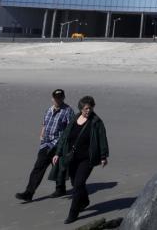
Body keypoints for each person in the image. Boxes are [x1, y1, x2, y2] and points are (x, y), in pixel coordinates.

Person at [52, 95, 109, 224]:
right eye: (86, 108)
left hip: (87, 159)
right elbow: (65, 137)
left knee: (78, 184)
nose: (88, 111)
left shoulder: (96, 122)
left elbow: (102, 139)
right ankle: (85, 201)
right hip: (72, 158)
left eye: (90, 108)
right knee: (75, 183)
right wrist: (57, 153)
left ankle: (73, 213)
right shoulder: (74, 118)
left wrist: (103, 156)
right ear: (81, 108)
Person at [15, 89, 73, 202]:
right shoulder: (49, 110)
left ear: (63, 98)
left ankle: (58, 189)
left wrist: (66, 145)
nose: (58, 100)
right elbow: (44, 124)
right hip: (46, 143)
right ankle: (30, 192)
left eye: (60, 97)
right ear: (52, 98)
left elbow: (70, 128)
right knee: (40, 167)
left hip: (58, 144)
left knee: (56, 167)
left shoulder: (68, 111)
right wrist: (42, 134)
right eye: (56, 98)